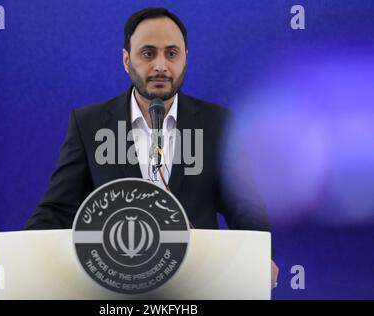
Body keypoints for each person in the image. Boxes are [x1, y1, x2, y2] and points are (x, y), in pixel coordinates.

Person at [23, 7, 279, 288]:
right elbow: (57, 209)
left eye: (172, 53)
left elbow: (244, 206)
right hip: (116, 283)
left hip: (197, 282)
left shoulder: (218, 124)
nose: (160, 66)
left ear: (185, 59)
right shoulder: (89, 124)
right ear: (126, 60)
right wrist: (19, 259)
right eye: (148, 53)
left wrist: (259, 255)